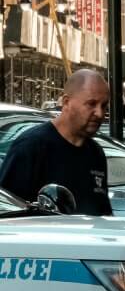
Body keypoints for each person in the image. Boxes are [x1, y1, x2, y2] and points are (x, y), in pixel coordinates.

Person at [0, 69, 112, 215]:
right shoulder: (32, 147)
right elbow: (8, 214)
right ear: (66, 102)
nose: (100, 113)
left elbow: (103, 211)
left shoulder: (95, 153)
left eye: (104, 106)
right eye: (91, 104)